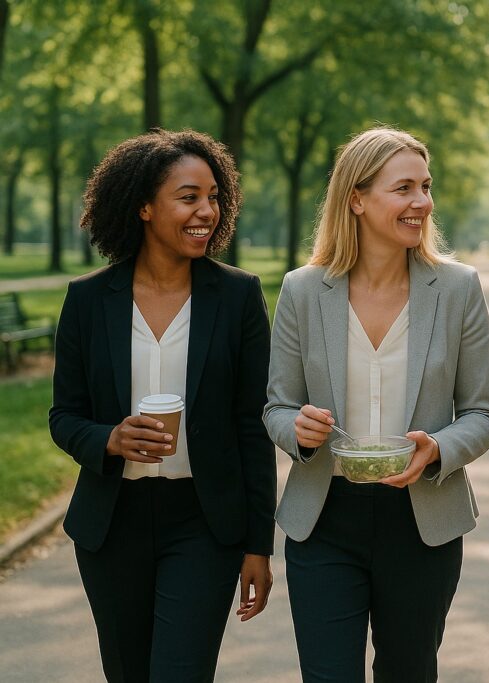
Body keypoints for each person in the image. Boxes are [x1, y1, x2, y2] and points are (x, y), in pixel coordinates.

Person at [263, 126, 489, 682]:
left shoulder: (458, 288)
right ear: (357, 199)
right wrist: (297, 428)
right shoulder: (302, 290)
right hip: (324, 518)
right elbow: (276, 405)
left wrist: (437, 448)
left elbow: (483, 414)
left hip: (422, 522)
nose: (422, 202)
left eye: (426, 185)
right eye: (404, 189)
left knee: (409, 672)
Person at [49, 129, 277, 682]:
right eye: (189, 196)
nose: (207, 211)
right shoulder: (88, 300)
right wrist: (108, 438)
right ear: (145, 207)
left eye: (215, 197)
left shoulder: (239, 297)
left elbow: (254, 426)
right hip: (112, 525)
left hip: (203, 523)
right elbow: (64, 416)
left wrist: (257, 546)